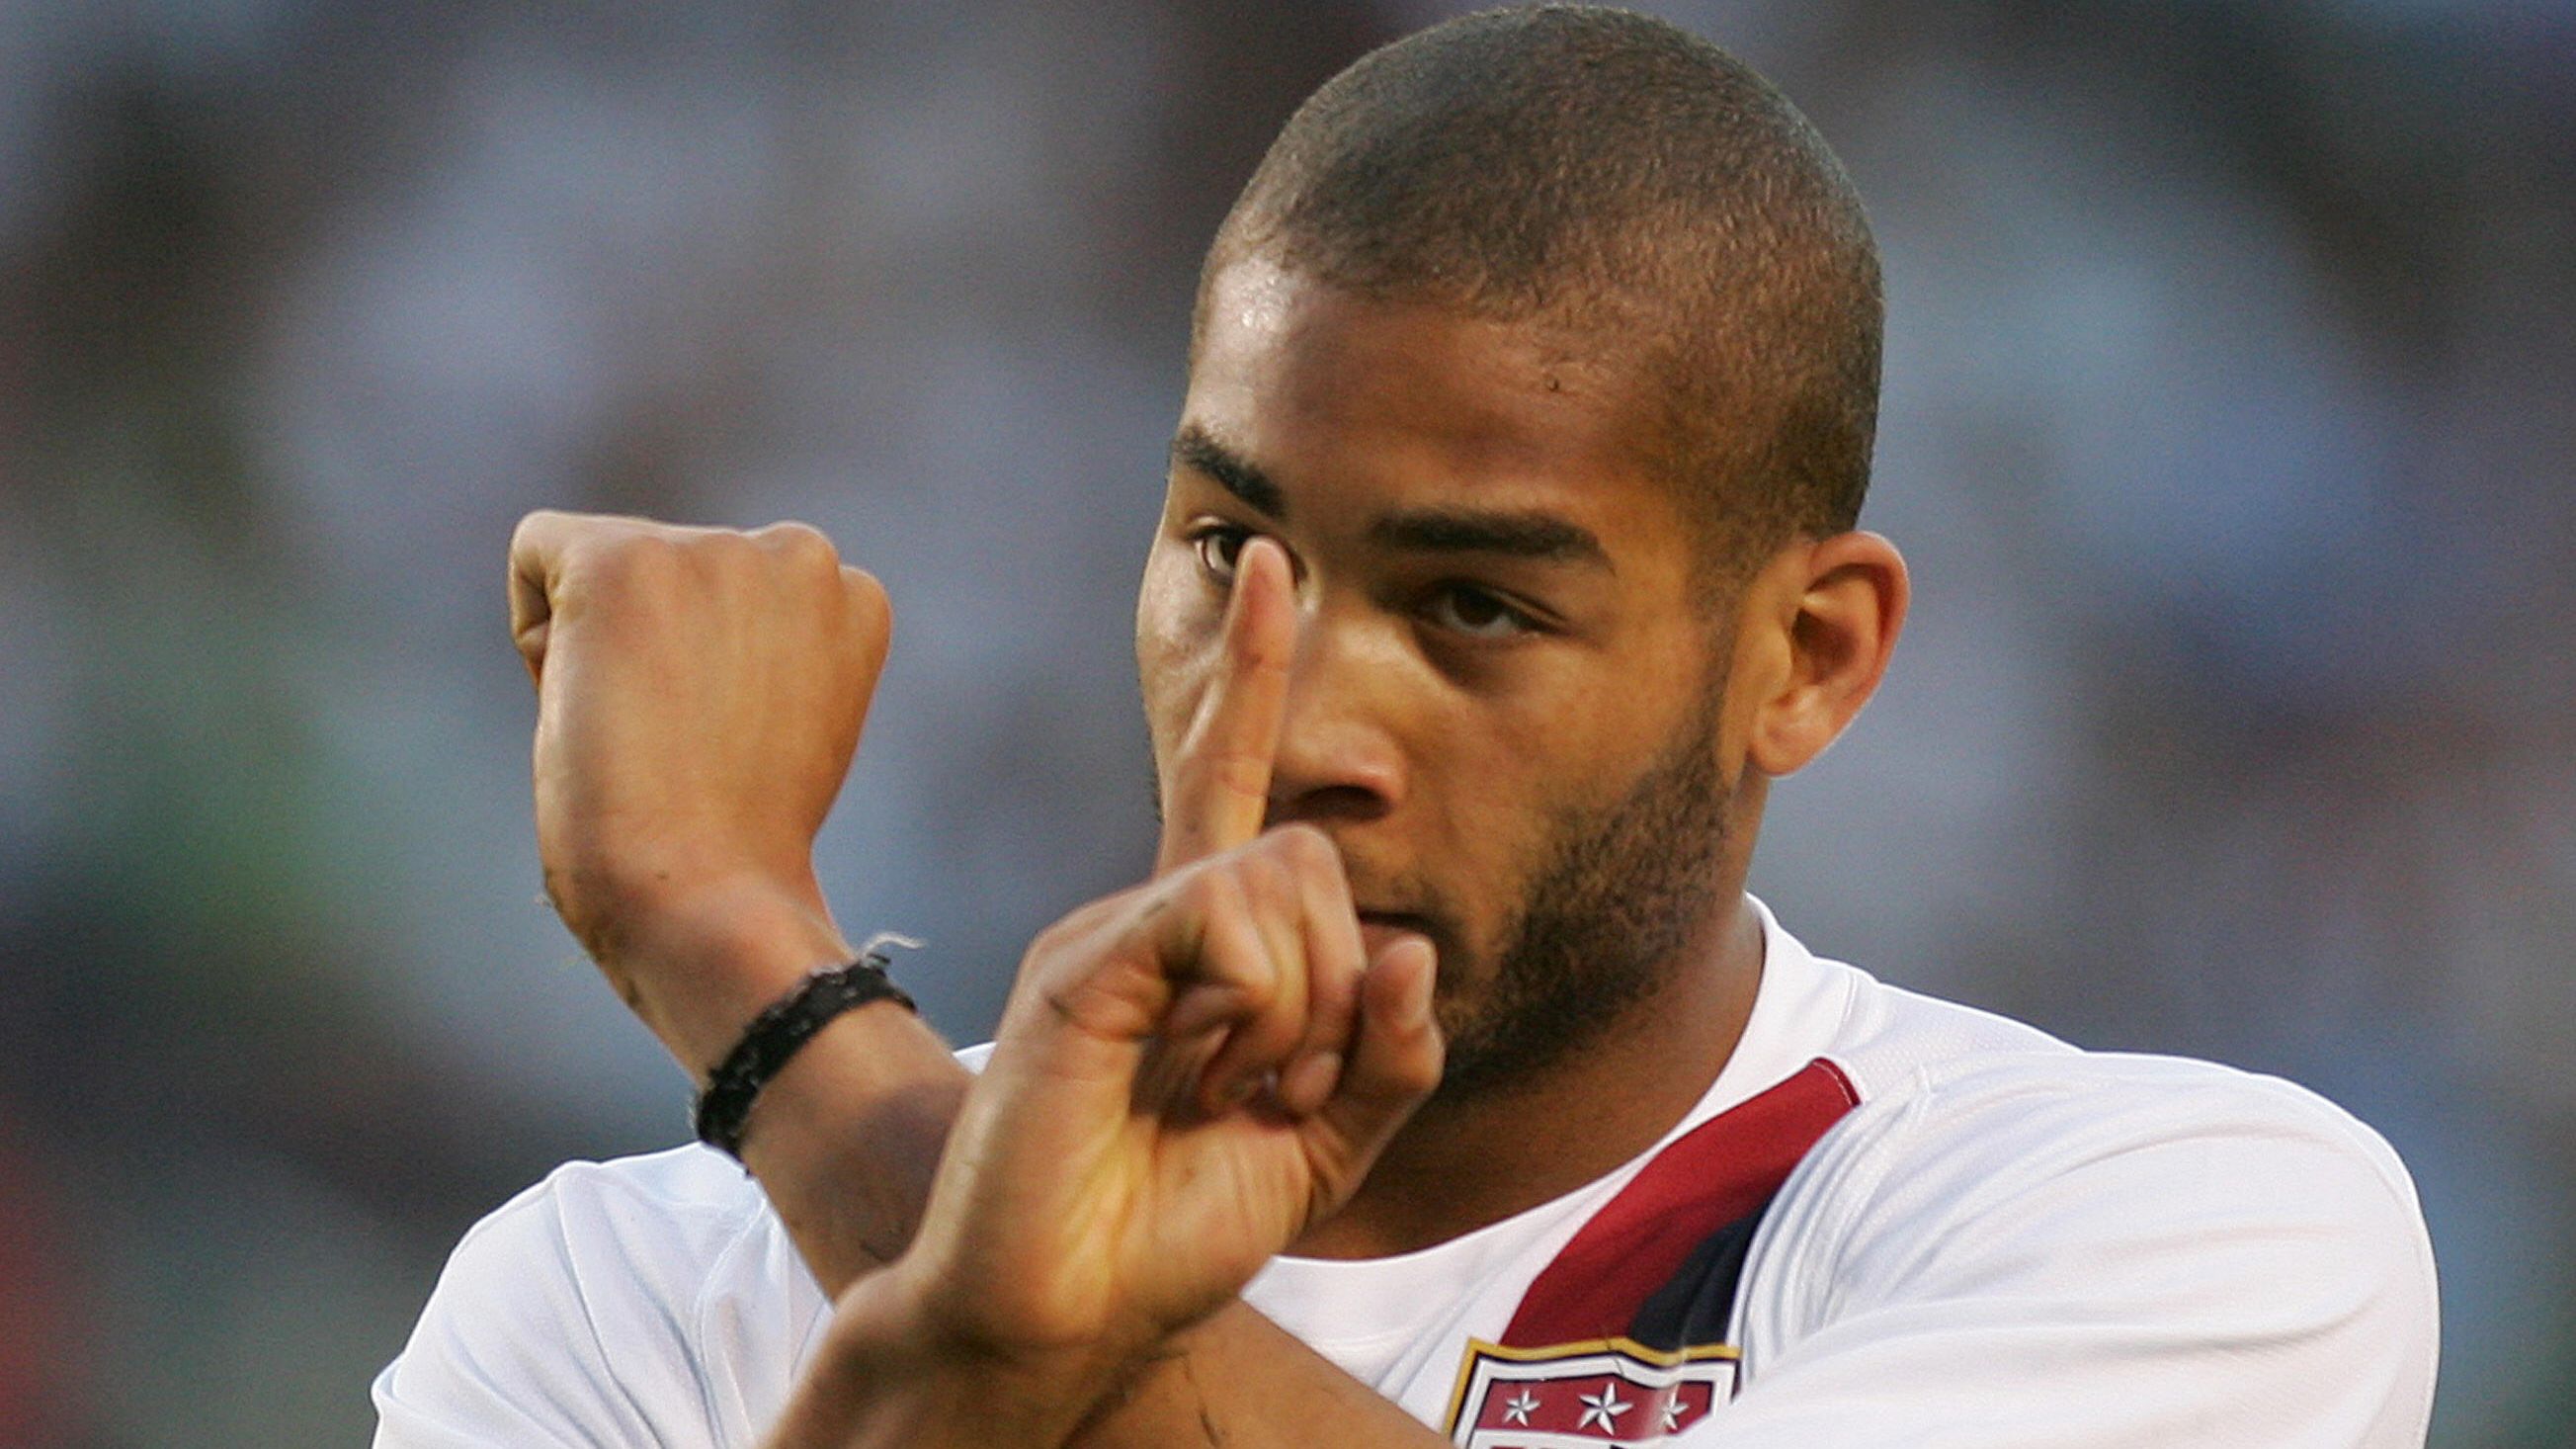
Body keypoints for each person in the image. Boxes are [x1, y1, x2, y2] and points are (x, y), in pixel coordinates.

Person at [374, 7, 2438, 1446]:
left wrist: (771, 1003)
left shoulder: (2174, 1228)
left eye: (1473, 605)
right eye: (1224, 548)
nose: (1300, 710)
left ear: (1802, 654)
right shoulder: (618, 1293)